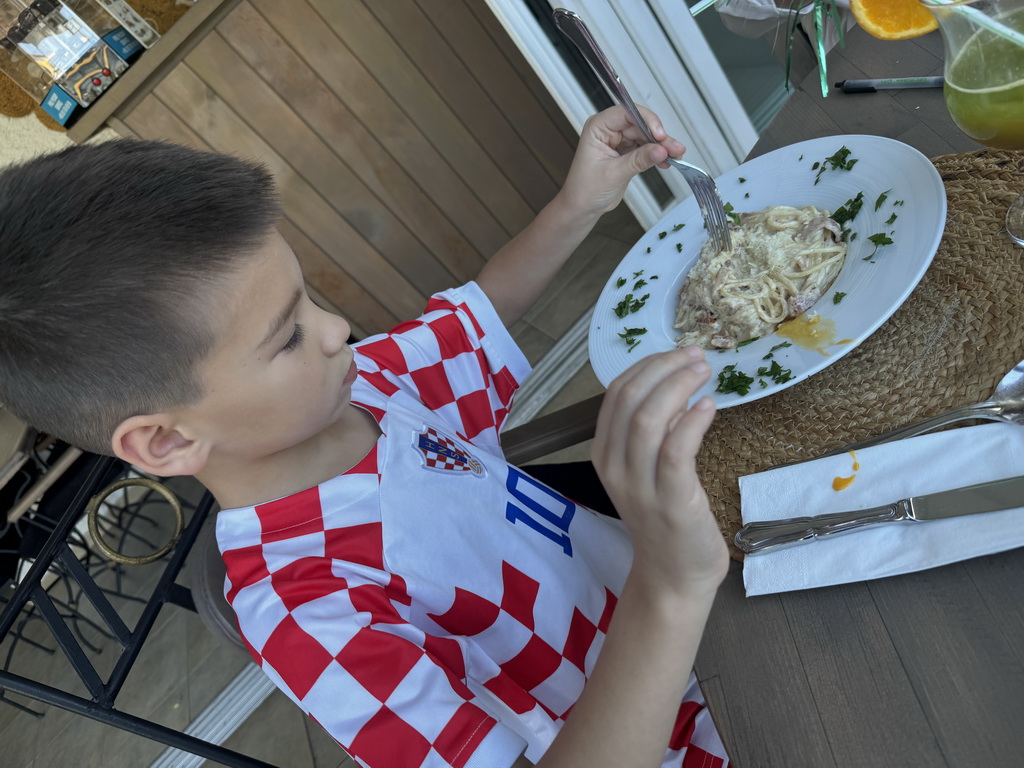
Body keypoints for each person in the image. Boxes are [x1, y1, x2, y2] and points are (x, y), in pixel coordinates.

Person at [0, 106, 730, 767]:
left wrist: (581, 202)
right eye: (286, 338)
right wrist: (670, 588)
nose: (335, 330)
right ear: (165, 444)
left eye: (307, 296)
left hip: (707, 611)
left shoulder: (362, 385)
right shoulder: (309, 612)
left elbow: (477, 316)